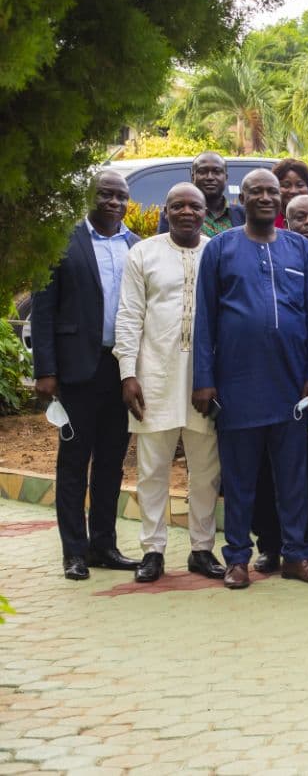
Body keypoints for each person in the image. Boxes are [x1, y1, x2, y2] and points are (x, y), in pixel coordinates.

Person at [192, 169, 308, 588]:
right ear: (244, 198)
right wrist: (204, 379)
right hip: (237, 383)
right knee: (239, 478)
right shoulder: (220, 248)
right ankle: (237, 558)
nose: (267, 198)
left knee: (294, 477)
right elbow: (204, 319)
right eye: (258, 191)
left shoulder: (298, 249)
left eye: (273, 192)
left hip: (291, 385)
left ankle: (297, 555)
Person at [32, 171, 141, 580]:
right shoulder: (63, 242)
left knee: (112, 462)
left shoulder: (136, 246)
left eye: (120, 196)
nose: (113, 202)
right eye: (105, 195)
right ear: (90, 198)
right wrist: (45, 370)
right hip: (77, 370)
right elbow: (43, 310)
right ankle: (73, 552)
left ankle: (104, 546)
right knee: (75, 463)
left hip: (123, 371)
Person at [114, 184, 224, 583]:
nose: (186, 212)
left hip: (204, 382)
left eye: (194, 206)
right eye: (177, 205)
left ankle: (200, 548)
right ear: (166, 210)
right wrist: (128, 373)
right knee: (152, 470)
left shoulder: (217, 251)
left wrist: (217, 378)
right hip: (154, 377)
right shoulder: (143, 252)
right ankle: (153, 550)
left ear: (205, 210)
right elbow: (129, 317)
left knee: (206, 470)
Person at [256, 192, 308, 573]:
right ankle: (270, 545)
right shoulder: (274, 257)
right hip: (277, 381)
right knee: (271, 470)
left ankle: (304, 544)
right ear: (286, 221)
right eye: (299, 216)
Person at [158, 152, 244, 236]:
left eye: (217, 172)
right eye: (202, 172)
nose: (210, 177)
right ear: (193, 177)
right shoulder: (173, 215)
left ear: (226, 177)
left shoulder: (243, 214)